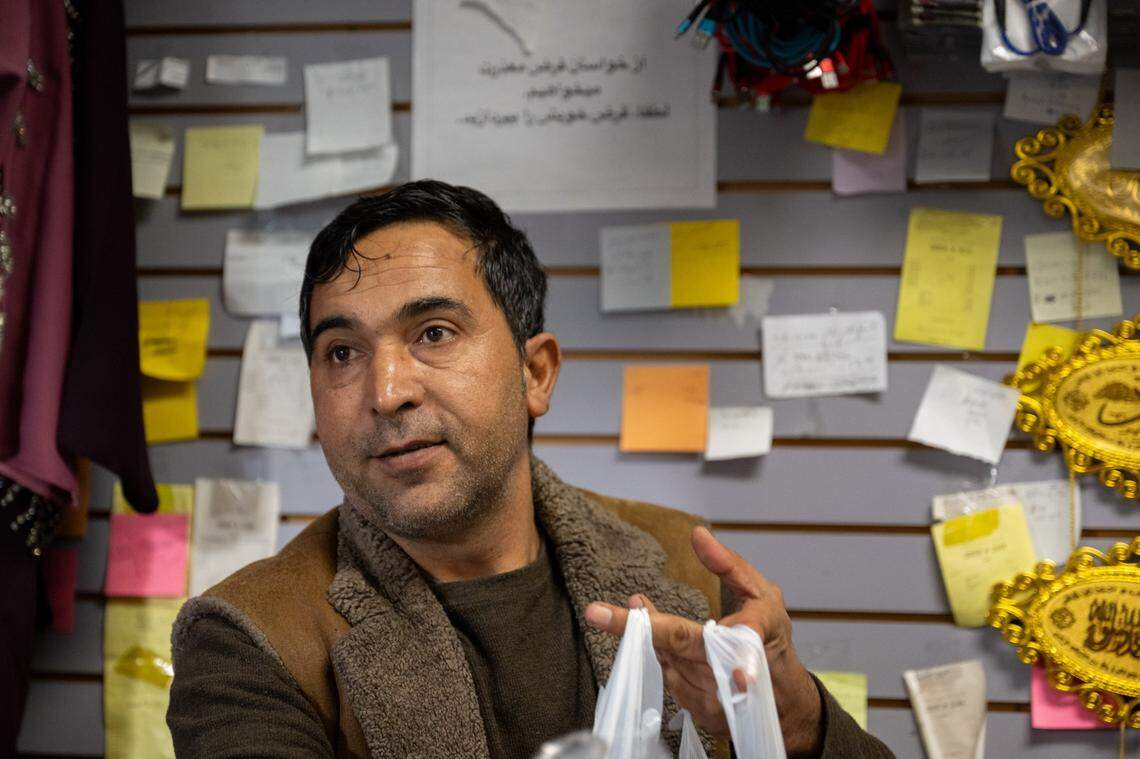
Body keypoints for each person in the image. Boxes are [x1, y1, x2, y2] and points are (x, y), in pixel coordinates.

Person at [167, 180, 894, 759]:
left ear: (535, 372)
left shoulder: (686, 566)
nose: (386, 392)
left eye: (434, 333)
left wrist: (798, 722)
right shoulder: (248, 638)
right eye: (342, 352)